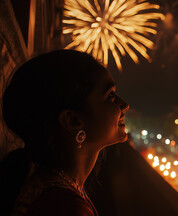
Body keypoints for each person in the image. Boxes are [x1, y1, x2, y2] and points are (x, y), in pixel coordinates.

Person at [0, 50, 129, 216]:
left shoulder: (51, 187)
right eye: (110, 95)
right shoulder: (66, 206)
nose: (124, 105)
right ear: (72, 120)